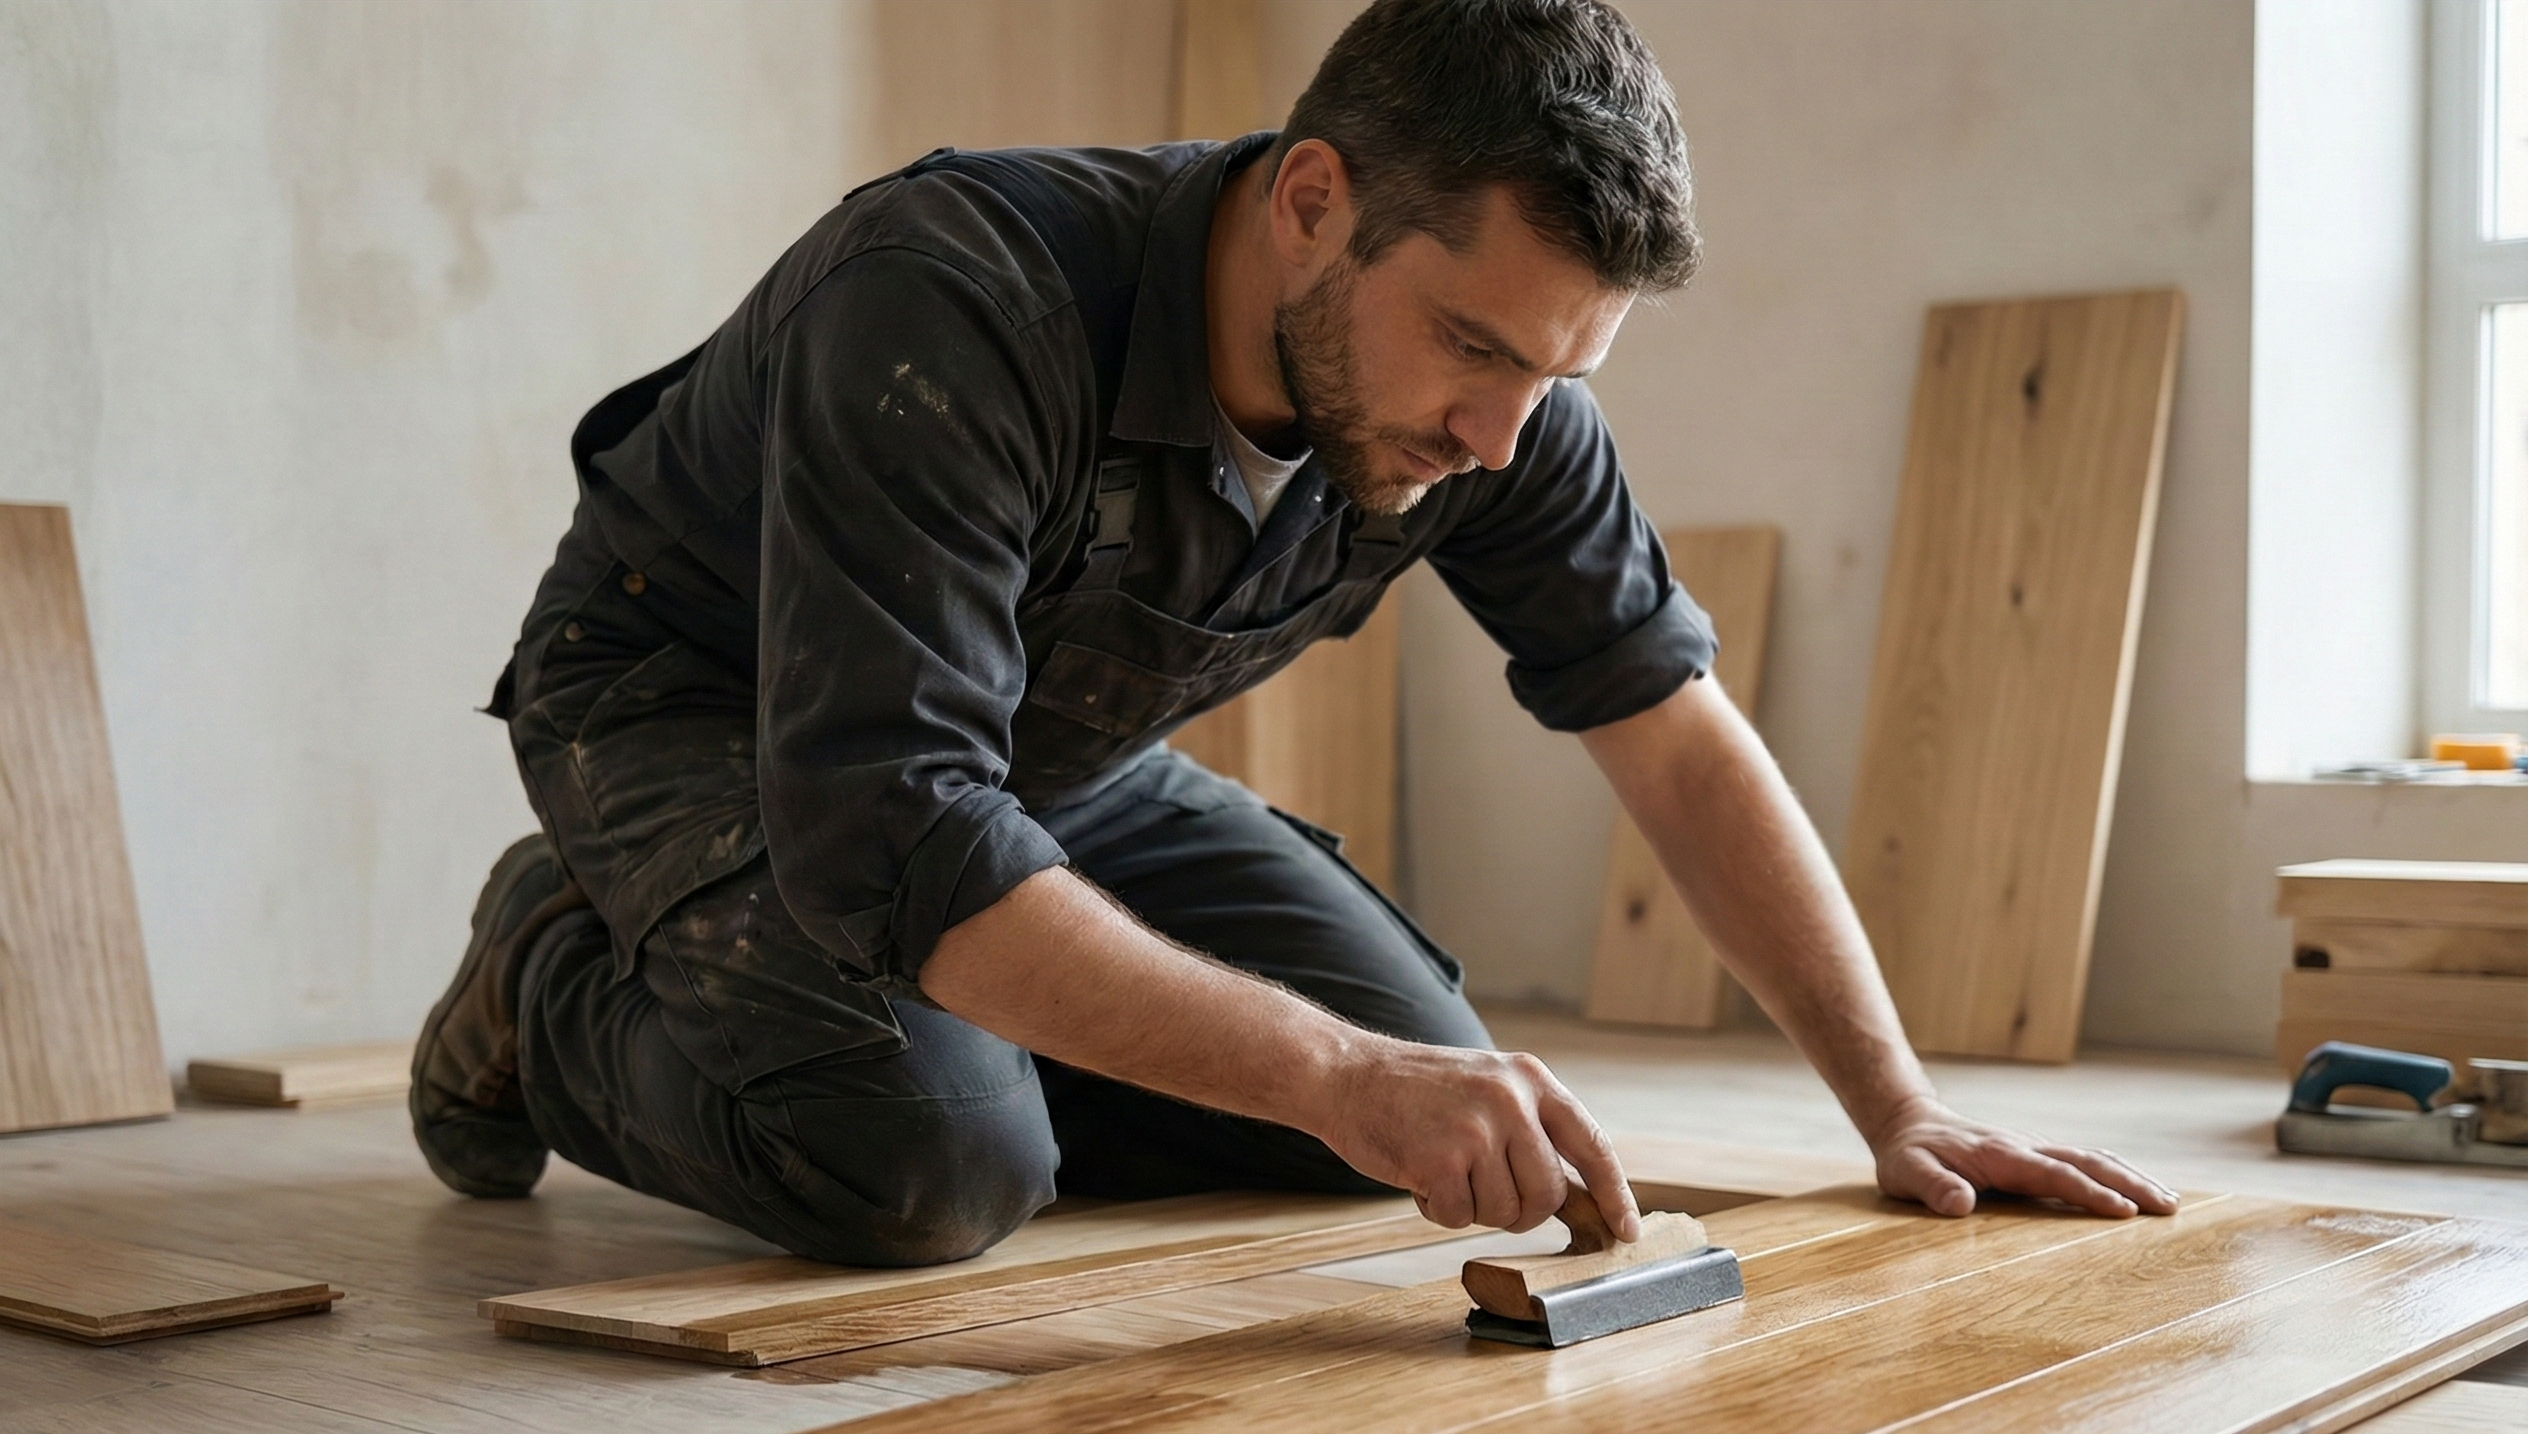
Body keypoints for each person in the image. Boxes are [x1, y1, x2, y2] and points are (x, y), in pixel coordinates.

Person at [410, 0, 2177, 1265]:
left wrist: (1900, 1107)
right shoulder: (955, 296)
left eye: (1559, 372)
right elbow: (895, 817)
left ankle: (956, 1026)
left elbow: (1668, 722)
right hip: (702, 713)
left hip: (1030, 753)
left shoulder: (1506, 407)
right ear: (1312, 199)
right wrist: (1323, 1072)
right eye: (1478, 348)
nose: (1505, 434)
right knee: (931, 1164)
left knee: (1412, 1101)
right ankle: (539, 976)